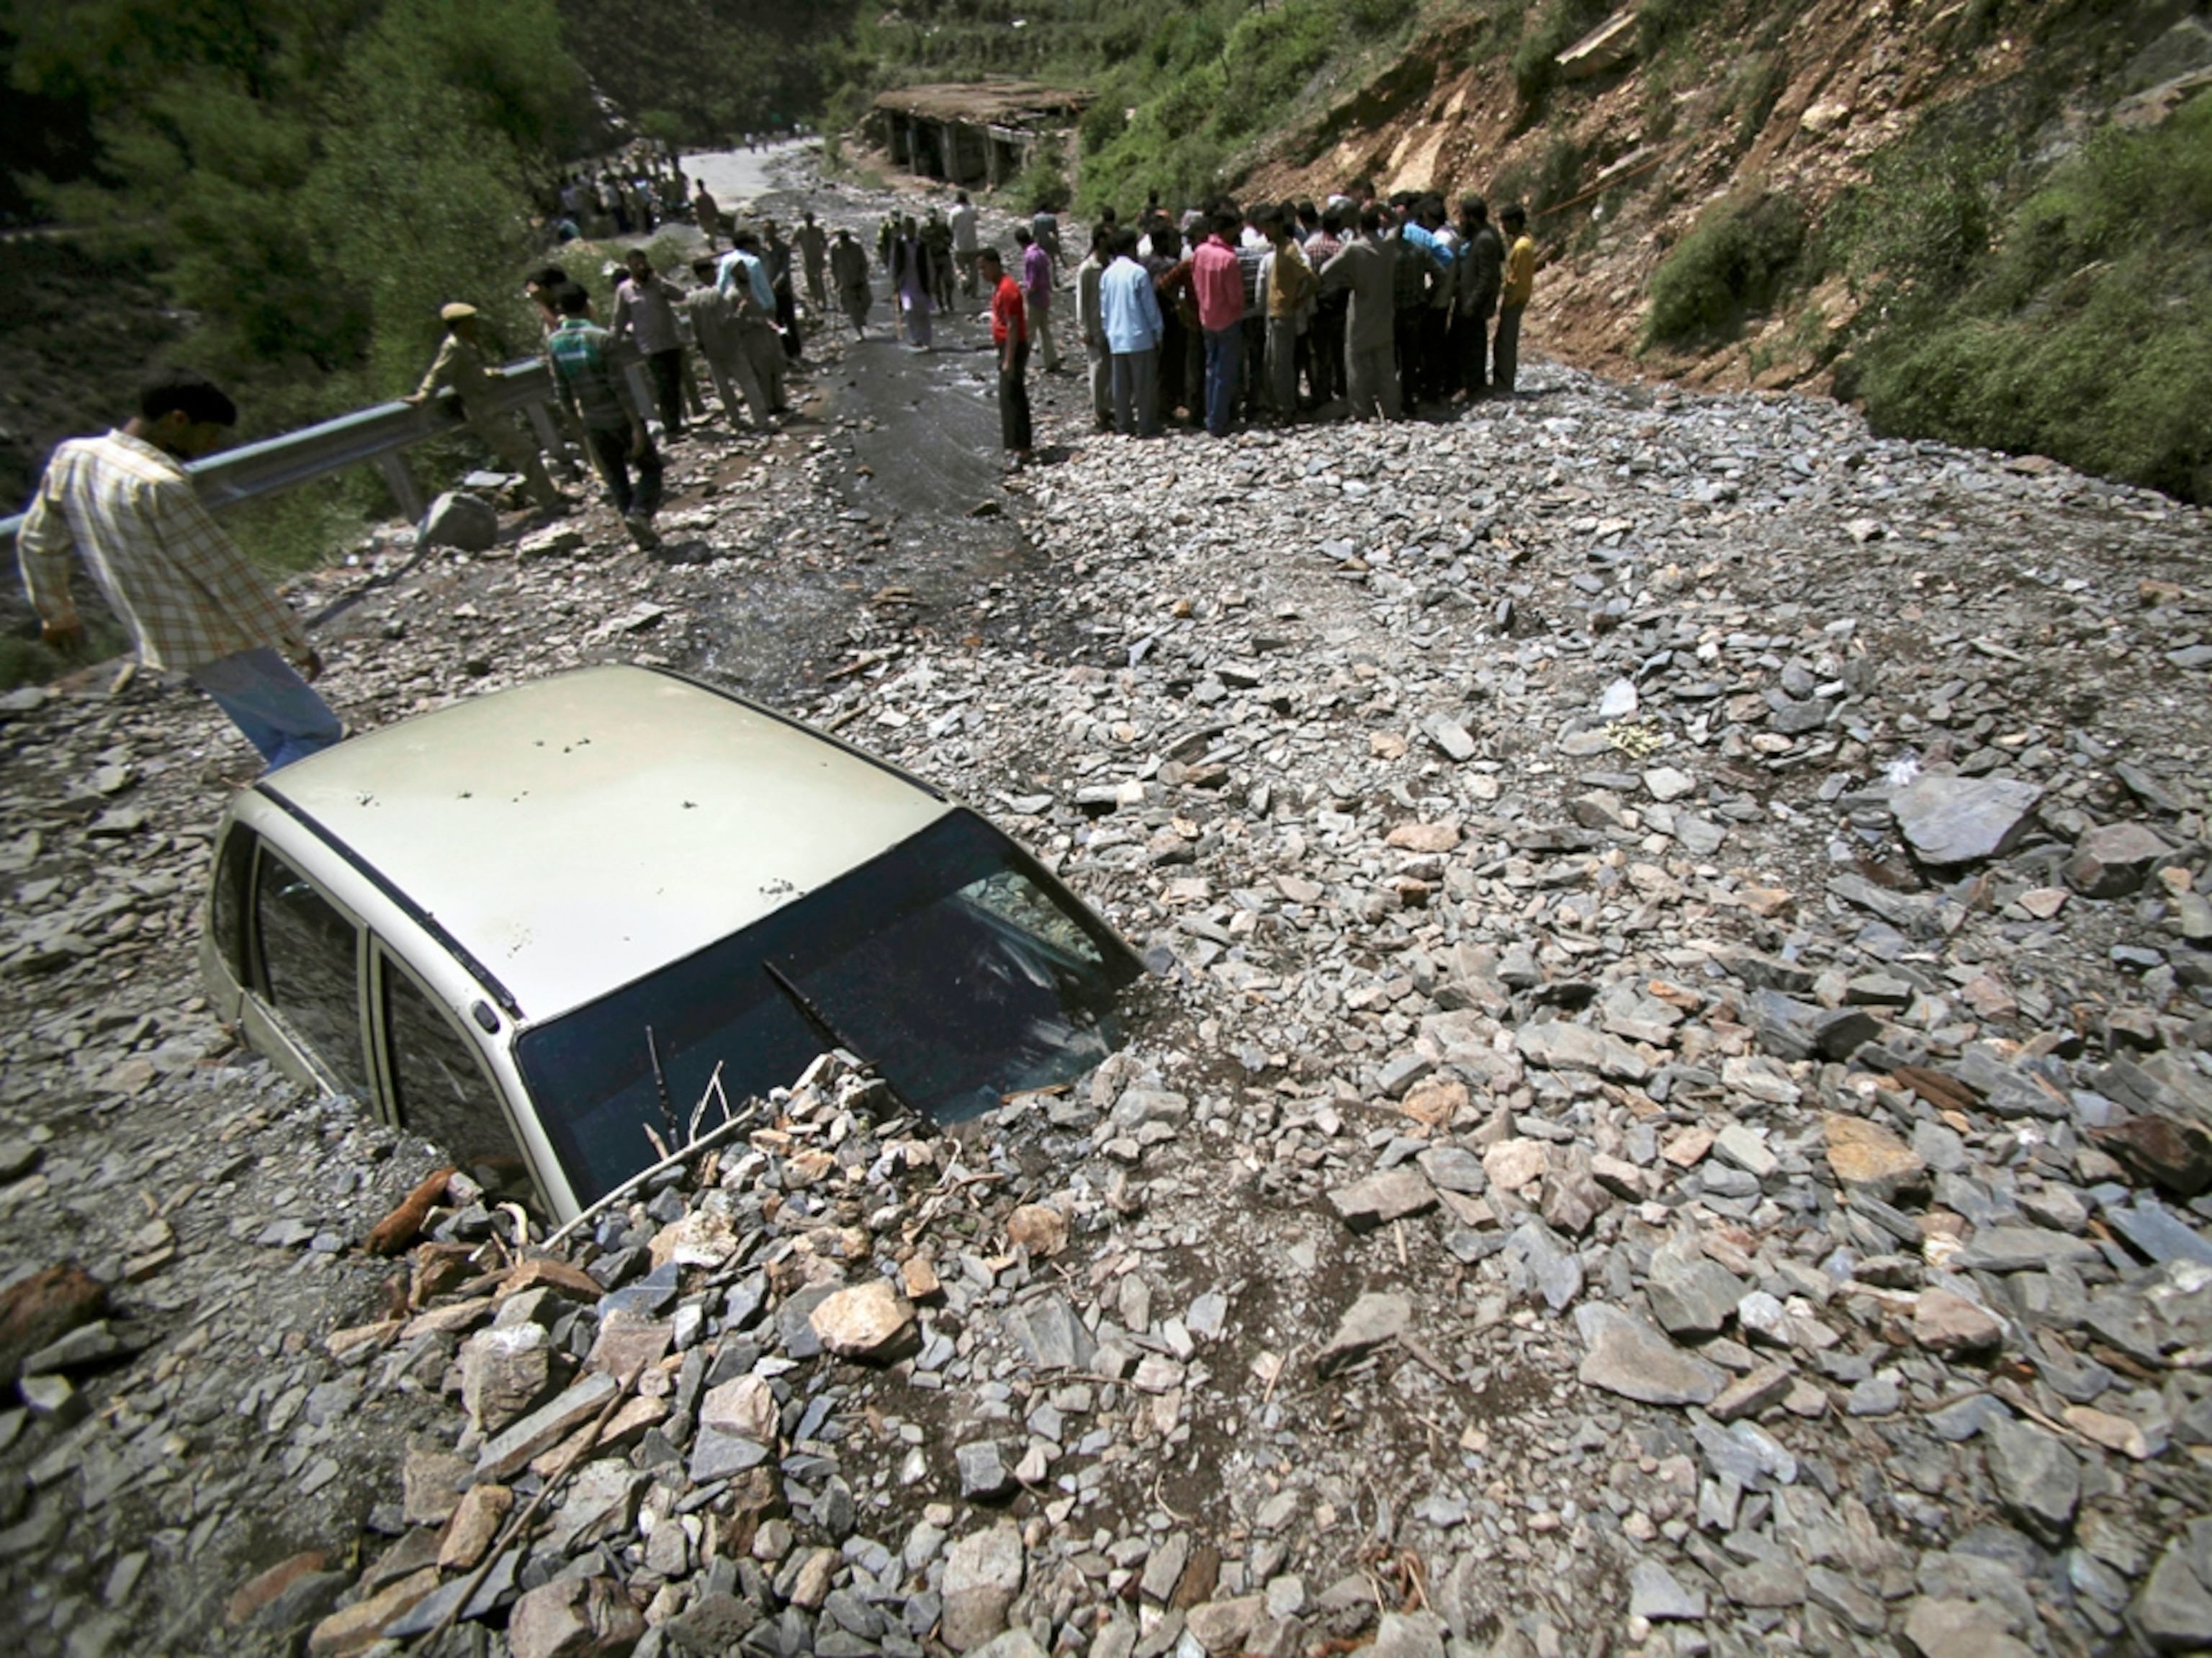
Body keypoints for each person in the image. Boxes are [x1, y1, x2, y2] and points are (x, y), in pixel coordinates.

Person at [17, 367, 343, 773]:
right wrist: (293, 639)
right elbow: (226, 576)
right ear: (177, 420)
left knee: (280, 737)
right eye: (209, 433)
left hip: (170, 636)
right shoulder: (158, 484)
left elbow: (37, 540)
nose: (210, 444)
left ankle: (303, 806)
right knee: (317, 734)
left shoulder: (74, 456)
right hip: (214, 634)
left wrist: (56, 613)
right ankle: (258, 818)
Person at [403, 303, 564, 512]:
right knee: (525, 453)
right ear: (460, 325)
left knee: (525, 452)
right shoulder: (452, 347)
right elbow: (439, 373)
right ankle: (549, 502)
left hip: (491, 408)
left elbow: (469, 371)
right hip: (482, 413)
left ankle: (550, 496)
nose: (475, 325)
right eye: (471, 322)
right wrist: (424, 395)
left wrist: (487, 373)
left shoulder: (466, 345)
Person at [544, 283, 662, 548]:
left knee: (616, 476)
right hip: (618, 415)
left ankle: (640, 536)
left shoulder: (554, 342)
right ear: (587, 304)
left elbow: (562, 390)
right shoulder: (601, 338)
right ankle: (640, 513)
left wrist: (577, 427)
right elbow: (619, 386)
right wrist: (636, 425)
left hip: (592, 420)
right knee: (651, 467)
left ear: (561, 309)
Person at [1318, 206, 1401, 421]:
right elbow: (1396, 222)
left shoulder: (1353, 249)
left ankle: (1361, 411)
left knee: (1356, 363)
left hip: (1361, 312)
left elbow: (1325, 271)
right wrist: (1382, 206)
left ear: (1359, 226)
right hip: (1384, 311)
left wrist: (1347, 281)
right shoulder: (1388, 245)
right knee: (1385, 366)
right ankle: (1392, 411)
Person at [685, 256, 772, 430]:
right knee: (748, 382)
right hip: (729, 345)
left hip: (710, 348)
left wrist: (701, 344)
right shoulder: (716, 294)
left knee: (723, 387)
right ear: (707, 273)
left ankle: (735, 420)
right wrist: (741, 312)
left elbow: (694, 326)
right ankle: (762, 420)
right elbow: (726, 321)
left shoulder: (692, 297)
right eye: (712, 271)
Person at [610, 248, 687, 439]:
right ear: (629, 267)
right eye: (636, 264)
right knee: (662, 386)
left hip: (670, 341)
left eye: (642, 262)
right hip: (650, 346)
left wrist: (661, 281)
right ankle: (671, 428)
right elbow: (619, 319)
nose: (641, 267)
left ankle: (677, 422)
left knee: (674, 383)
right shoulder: (625, 290)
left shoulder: (658, 284)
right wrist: (612, 341)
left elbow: (680, 296)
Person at [1100, 229, 1164, 438]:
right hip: (1139, 336)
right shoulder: (1139, 273)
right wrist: (1158, 331)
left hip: (1116, 336)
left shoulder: (1107, 274)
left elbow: (1104, 308)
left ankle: (1124, 424)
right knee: (1144, 386)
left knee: (1121, 386)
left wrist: (1107, 330)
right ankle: (1146, 425)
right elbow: (1149, 307)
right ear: (1131, 247)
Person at [716, 234, 790, 415]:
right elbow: (764, 291)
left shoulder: (726, 262)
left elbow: (720, 287)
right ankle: (770, 404)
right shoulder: (752, 265)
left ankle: (777, 402)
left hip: (762, 326)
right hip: (754, 329)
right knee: (762, 367)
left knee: (771, 365)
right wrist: (770, 310)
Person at [1191, 209, 1245, 438]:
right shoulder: (1228, 259)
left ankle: (1210, 416)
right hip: (1227, 320)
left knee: (1211, 370)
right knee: (1225, 373)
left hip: (1206, 318)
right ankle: (1218, 421)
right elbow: (1236, 297)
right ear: (1228, 230)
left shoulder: (1199, 252)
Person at [980, 246, 1031, 470]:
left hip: (1012, 347)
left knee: (1012, 398)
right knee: (1010, 397)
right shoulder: (1000, 288)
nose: (982, 273)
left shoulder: (1008, 289)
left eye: (983, 268)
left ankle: (1020, 449)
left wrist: (1008, 359)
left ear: (994, 264)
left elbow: (1012, 327)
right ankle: (1018, 447)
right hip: (1007, 346)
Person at [1263, 211, 1316, 421]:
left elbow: (1312, 280)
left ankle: (1287, 409)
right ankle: (1277, 406)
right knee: (1271, 364)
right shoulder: (1278, 250)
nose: (1265, 232)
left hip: (1284, 315)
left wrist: (1299, 300)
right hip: (1275, 313)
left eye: (1268, 227)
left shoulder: (1290, 252)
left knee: (1281, 366)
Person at [1455, 194, 1505, 399]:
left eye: (1463, 217)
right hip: (1473, 301)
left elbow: (1487, 276)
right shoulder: (1484, 234)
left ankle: (1474, 386)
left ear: (1472, 218)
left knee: (1473, 345)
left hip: (1474, 303)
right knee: (1472, 343)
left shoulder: (1485, 239)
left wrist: (1472, 303)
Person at [1495, 202, 1536, 398]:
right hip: (1519, 298)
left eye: (1505, 223)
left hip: (1515, 300)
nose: (1503, 228)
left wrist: (1508, 299)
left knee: (1506, 341)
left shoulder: (1521, 247)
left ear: (1513, 222)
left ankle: (1504, 384)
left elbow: (1516, 279)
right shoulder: (1525, 243)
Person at [1076, 224, 1112, 431]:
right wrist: (1084, 330)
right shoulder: (1087, 269)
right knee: (1097, 369)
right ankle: (1099, 411)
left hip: (1110, 324)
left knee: (1109, 368)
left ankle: (1108, 407)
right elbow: (1081, 300)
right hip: (1094, 325)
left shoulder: (1110, 265)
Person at [1015, 225, 1061, 373]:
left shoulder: (1030, 256)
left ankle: (1020, 363)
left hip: (1035, 299)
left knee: (1029, 332)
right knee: (1044, 330)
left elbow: (1033, 283)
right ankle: (1051, 360)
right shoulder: (1040, 252)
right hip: (1044, 297)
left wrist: (1025, 294)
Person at [891, 215, 933, 349]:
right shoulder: (898, 244)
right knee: (909, 310)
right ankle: (916, 338)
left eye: (913, 228)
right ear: (904, 229)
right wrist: (894, 280)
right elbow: (893, 263)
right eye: (909, 228)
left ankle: (927, 339)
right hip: (906, 283)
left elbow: (928, 263)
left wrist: (932, 280)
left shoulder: (922, 245)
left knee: (923, 312)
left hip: (921, 282)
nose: (911, 231)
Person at [830, 226, 873, 338]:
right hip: (846, 282)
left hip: (859, 280)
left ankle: (862, 317)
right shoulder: (835, 249)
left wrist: (863, 275)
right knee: (853, 310)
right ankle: (860, 333)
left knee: (867, 301)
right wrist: (836, 280)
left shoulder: (857, 247)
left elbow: (864, 262)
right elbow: (834, 265)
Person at [795, 210, 829, 310]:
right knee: (811, 281)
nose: (809, 222)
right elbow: (794, 241)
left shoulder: (818, 231)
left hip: (817, 258)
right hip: (806, 259)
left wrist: (823, 254)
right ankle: (816, 302)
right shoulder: (801, 231)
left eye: (810, 220)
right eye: (807, 220)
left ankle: (823, 302)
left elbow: (825, 242)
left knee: (819, 281)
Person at [948, 190, 979, 298]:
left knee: (959, 268)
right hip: (973, 244)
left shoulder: (954, 212)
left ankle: (964, 280)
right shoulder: (972, 210)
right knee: (973, 268)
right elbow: (977, 218)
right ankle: (974, 292)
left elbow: (950, 227)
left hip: (959, 245)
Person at [694, 183, 724, 252]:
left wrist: (698, 218)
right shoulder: (709, 196)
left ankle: (710, 243)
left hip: (703, 218)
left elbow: (698, 210)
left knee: (706, 232)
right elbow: (714, 207)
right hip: (711, 216)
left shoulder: (698, 198)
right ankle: (713, 245)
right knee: (713, 232)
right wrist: (717, 215)